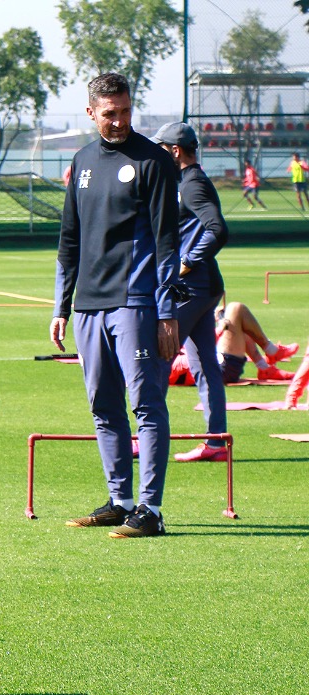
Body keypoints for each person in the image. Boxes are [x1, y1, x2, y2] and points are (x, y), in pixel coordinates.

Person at [52, 73, 180, 539]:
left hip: (136, 301)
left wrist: (166, 312)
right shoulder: (82, 160)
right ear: (91, 113)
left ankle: (151, 509)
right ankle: (119, 500)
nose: (119, 120)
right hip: (88, 304)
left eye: (125, 111)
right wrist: (60, 306)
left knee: (145, 403)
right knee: (103, 406)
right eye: (110, 113)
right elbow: (70, 240)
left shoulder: (154, 161)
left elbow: (168, 242)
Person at [150, 122, 230, 463]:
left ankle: (147, 440)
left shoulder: (192, 183)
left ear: (176, 151)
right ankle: (215, 442)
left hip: (193, 288)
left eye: (162, 149)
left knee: (154, 359)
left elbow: (217, 229)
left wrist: (186, 261)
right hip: (202, 288)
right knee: (204, 366)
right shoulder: (185, 181)